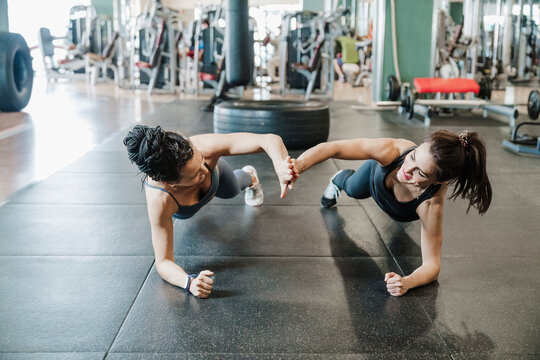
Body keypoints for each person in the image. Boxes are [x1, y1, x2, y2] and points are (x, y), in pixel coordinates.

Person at [290, 130, 492, 296]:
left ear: (437, 181)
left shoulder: (431, 205)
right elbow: (333, 148)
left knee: (399, 220)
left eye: (419, 172)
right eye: (413, 157)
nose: (407, 169)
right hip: (373, 179)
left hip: (400, 211)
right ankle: (338, 179)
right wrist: (299, 165)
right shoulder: (394, 151)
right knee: (352, 189)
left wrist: (407, 282)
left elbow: (432, 266)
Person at [123, 125, 297, 298]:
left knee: (233, 189)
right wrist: (188, 282)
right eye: (194, 175)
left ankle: (250, 176)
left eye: (200, 162)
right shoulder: (160, 201)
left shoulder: (203, 146)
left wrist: (282, 166)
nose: (204, 171)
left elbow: (269, 139)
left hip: (218, 179)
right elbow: (163, 262)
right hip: (183, 207)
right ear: (170, 183)